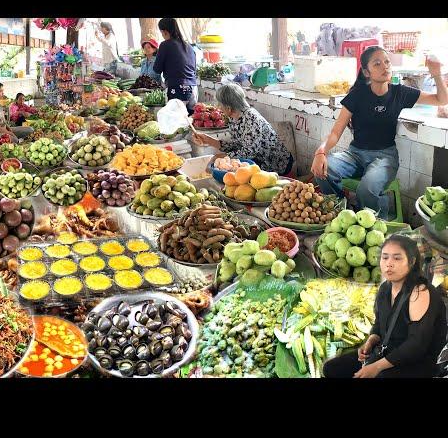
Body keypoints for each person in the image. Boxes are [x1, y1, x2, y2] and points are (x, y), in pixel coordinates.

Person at [311, 46, 448, 219]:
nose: (385, 67)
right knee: (323, 169)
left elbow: (441, 100)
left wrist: (436, 74)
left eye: (387, 62)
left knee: (367, 188)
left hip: (385, 157)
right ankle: (339, 212)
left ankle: (377, 224)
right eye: (377, 64)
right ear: (366, 72)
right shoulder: (357, 95)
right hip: (355, 155)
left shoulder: (400, 93)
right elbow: (335, 132)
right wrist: (321, 151)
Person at [323, 234, 447, 378]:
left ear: (412, 262)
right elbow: (380, 323)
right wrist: (371, 339)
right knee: (331, 368)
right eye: (385, 257)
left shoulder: (420, 292)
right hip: (388, 350)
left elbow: (416, 346)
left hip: (417, 362)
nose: (389, 263)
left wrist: (376, 367)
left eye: (397, 258)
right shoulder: (385, 289)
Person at [191, 83, 294, 175]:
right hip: (257, 161)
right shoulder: (234, 118)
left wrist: (222, 157)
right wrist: (209, 140)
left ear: (228, 108)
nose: (218, 107)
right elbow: (237, 145)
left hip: (276, 165)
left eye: (220, 105)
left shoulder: (252, 119)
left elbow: (248, 153)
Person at [153, 18, 198, 113]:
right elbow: (193, 68)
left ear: (164, 31)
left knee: (176, 122)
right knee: (190, 121)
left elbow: (157, 69)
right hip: (193, 88)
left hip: (177, 89)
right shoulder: (188, 46)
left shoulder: (165, 45)